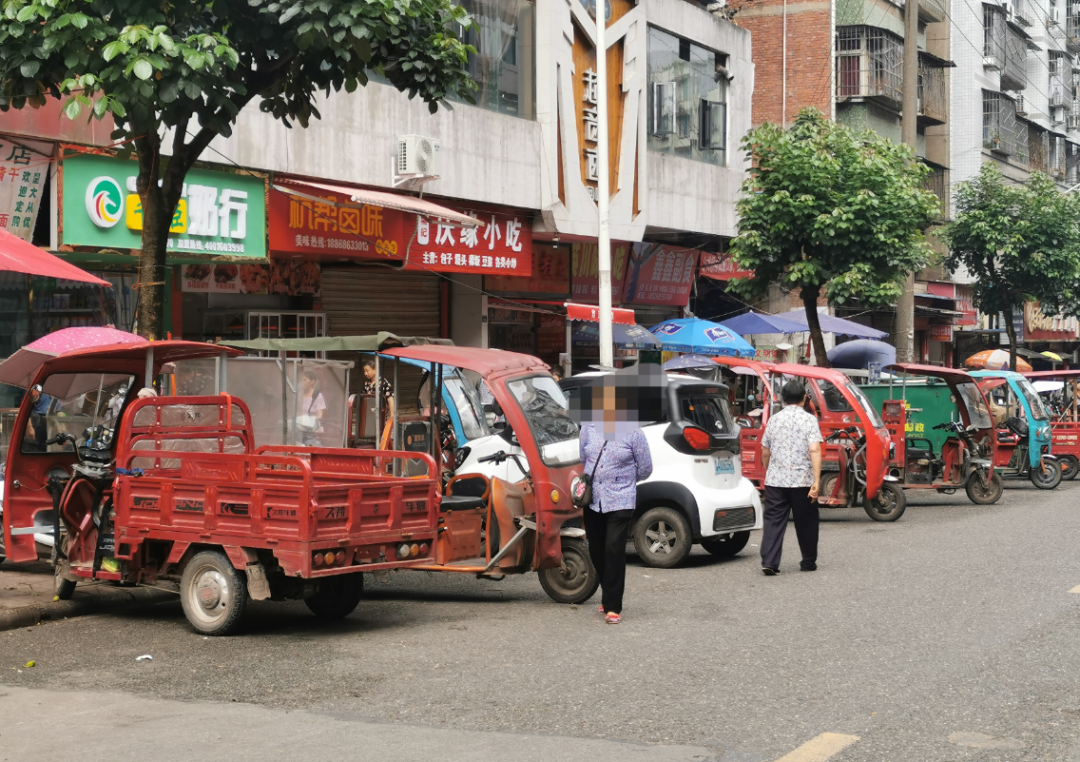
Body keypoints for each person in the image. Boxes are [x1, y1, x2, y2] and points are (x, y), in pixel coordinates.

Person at [579, 384, 652, 624]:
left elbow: (645, 468)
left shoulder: (633, 433)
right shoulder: (588, 428)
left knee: (613, 548)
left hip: (620, 498)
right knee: (596, 550)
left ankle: (613, 605)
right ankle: (606, 592)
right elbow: (584, 458)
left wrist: (624, 482)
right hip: (593, 499)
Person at [759, 379, 823, 575]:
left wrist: (769, 470)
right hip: (801, 480)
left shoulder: (774, 420)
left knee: (773, 521)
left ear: (784, 399)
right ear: (804, 398)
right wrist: (817, 480)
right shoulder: (809, 420)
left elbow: (765, 451)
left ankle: (769, 561)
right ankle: (808, 562)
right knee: (807, 521)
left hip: (776, 481)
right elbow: (814, 449)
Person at [298, 370, 326, 444]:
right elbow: (297, 412)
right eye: (301, 380)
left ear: (312, 381)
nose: (302, 382)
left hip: (313, 430)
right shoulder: (299, 394)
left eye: (305, 380)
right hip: (300, 428)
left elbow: (320, 415)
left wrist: (312, 426)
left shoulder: (317, 395)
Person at [26, 384, 52, 452]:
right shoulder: (35, 388)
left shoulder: (51, 390)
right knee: (35, 446)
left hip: (47, 420)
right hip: (36, 419)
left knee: (45, 446)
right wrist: (29, 427)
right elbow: (26, 408)